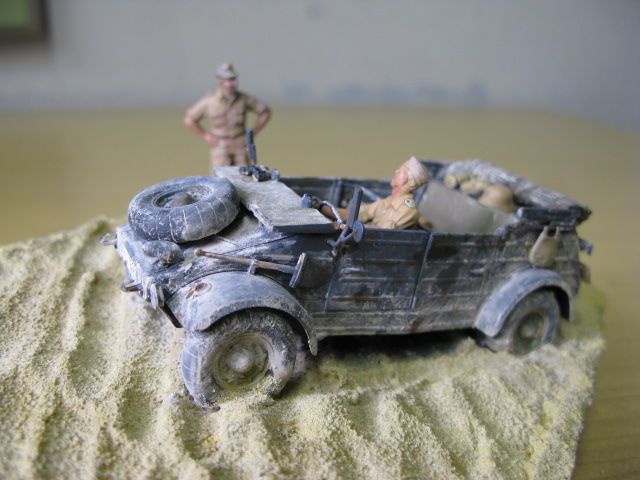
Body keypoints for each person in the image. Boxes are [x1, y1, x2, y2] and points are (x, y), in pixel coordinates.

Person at [183, 63, 272, 168]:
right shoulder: (210, 101)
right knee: (220, 175)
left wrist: (252, 133)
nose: (232, 83)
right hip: (220, 146)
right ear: (221, 81)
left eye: (234, 79)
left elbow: (265, 112)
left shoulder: (243, 99)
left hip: (240, 145)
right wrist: (206, 136)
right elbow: (189, 120)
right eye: (229, 80)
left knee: (244, 174)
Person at [321, 156, 431, 229]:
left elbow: (382, 232)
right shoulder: (388, 201)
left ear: (410, 181)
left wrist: (345, 227)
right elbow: (360, 213)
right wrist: (322, 208)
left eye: (401, 171)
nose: (396, 171)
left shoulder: (409, 210)